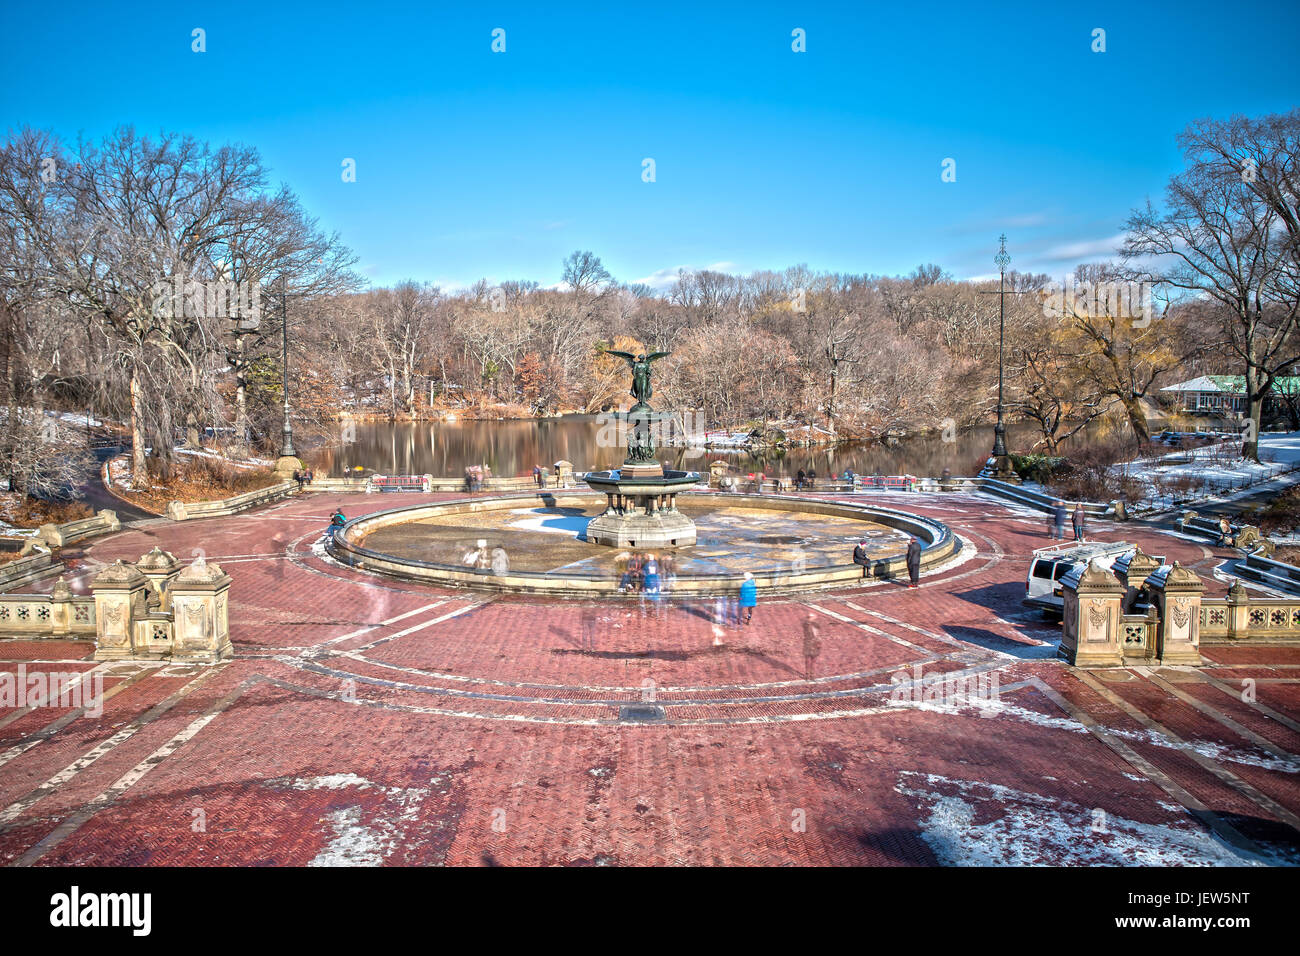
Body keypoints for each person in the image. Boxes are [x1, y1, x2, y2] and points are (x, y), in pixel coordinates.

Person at [802, 612, 822, 680]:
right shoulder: (806, 624)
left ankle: (812, 674)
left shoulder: (816, 625)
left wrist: (819, 642)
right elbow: (805, 623)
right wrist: (811, 619)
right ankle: (807, 674)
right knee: (807, 660)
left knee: (814, 660)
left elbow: (818, 628)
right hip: (808, 644)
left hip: (815, 644)